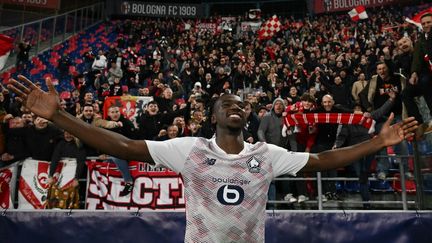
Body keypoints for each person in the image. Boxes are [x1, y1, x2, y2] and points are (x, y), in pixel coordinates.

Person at [8, 76, 417, 243]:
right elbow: (123, 147)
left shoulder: (266, 154)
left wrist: (378, 142)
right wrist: (60, 116)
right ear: (214, 116)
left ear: (247, 115)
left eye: (240, 103)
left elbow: (326, 159)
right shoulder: (191, 149)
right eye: (226, 103)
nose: (235, 106)